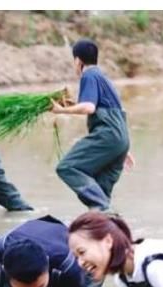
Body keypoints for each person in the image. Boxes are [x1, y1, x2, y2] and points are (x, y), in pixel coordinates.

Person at [50, 39, 133, 211]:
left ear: (78, 61)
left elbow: (89, 107)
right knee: (100, 190)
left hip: (109, 136)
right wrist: (122, 147)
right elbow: (115, 110)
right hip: (119, 139)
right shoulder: (103, 78)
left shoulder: (88, 76)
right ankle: (108, 226)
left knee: (67, 167)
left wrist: (61, 110)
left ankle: (106, 213)